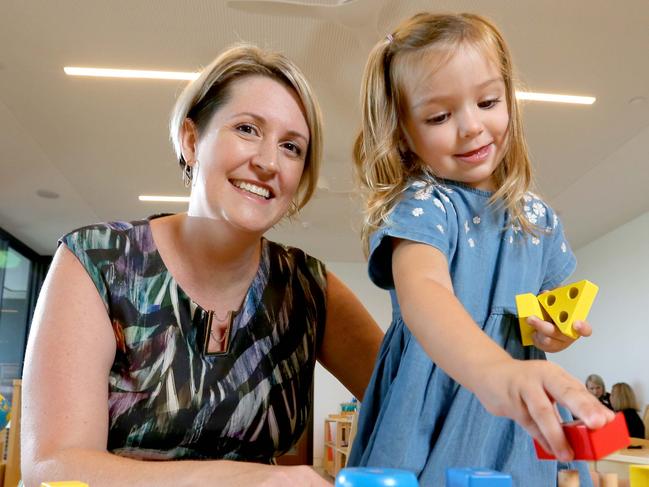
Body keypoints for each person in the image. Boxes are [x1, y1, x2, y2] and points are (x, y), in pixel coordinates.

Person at [21, 44, 384, 487]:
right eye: (248, 129)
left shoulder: (308, 289)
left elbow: (417, 406)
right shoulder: (99, 262)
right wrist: (252, 481)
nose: (269, 162)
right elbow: (54, 466)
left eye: (291, 147)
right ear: (191, 140)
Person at [346, 12, 614, 486]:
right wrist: (495, 372)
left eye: (488, 101)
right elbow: (424, 296)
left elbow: (550, 311)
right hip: (434, 408)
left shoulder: (538, 219)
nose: (471, 126)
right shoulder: (424, 207)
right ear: (404, 133)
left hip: (509, 423)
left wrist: (557, 332)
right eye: (439, 116)